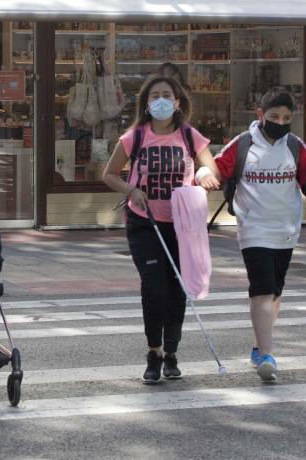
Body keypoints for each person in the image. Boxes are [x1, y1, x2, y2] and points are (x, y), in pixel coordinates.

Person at [102, 75, 220, 384]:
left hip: (182, 225)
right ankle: (153, 353)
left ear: (178, 102)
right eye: (155, 96)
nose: (161, 100)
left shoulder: (190, 136)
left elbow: (211, 168)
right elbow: (109, 174)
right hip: (144, 222)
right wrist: (131, 191)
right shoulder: (134, 137)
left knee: (176, 289)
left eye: (167, 95)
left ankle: (171, 353)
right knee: (154, 286)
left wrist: (206, 172)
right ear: (146, 103)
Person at [213, 87, 306, 382]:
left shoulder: (295, 146)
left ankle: (258, 346)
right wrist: (201, 177)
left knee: (275, 291)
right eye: (274, 116)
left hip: (285, 229)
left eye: (287, 117)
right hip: (252, 229)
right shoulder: (243, 144)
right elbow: (214, 169)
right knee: (262, 287)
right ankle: (267, 355)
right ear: (260, 115)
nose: (280, 121)